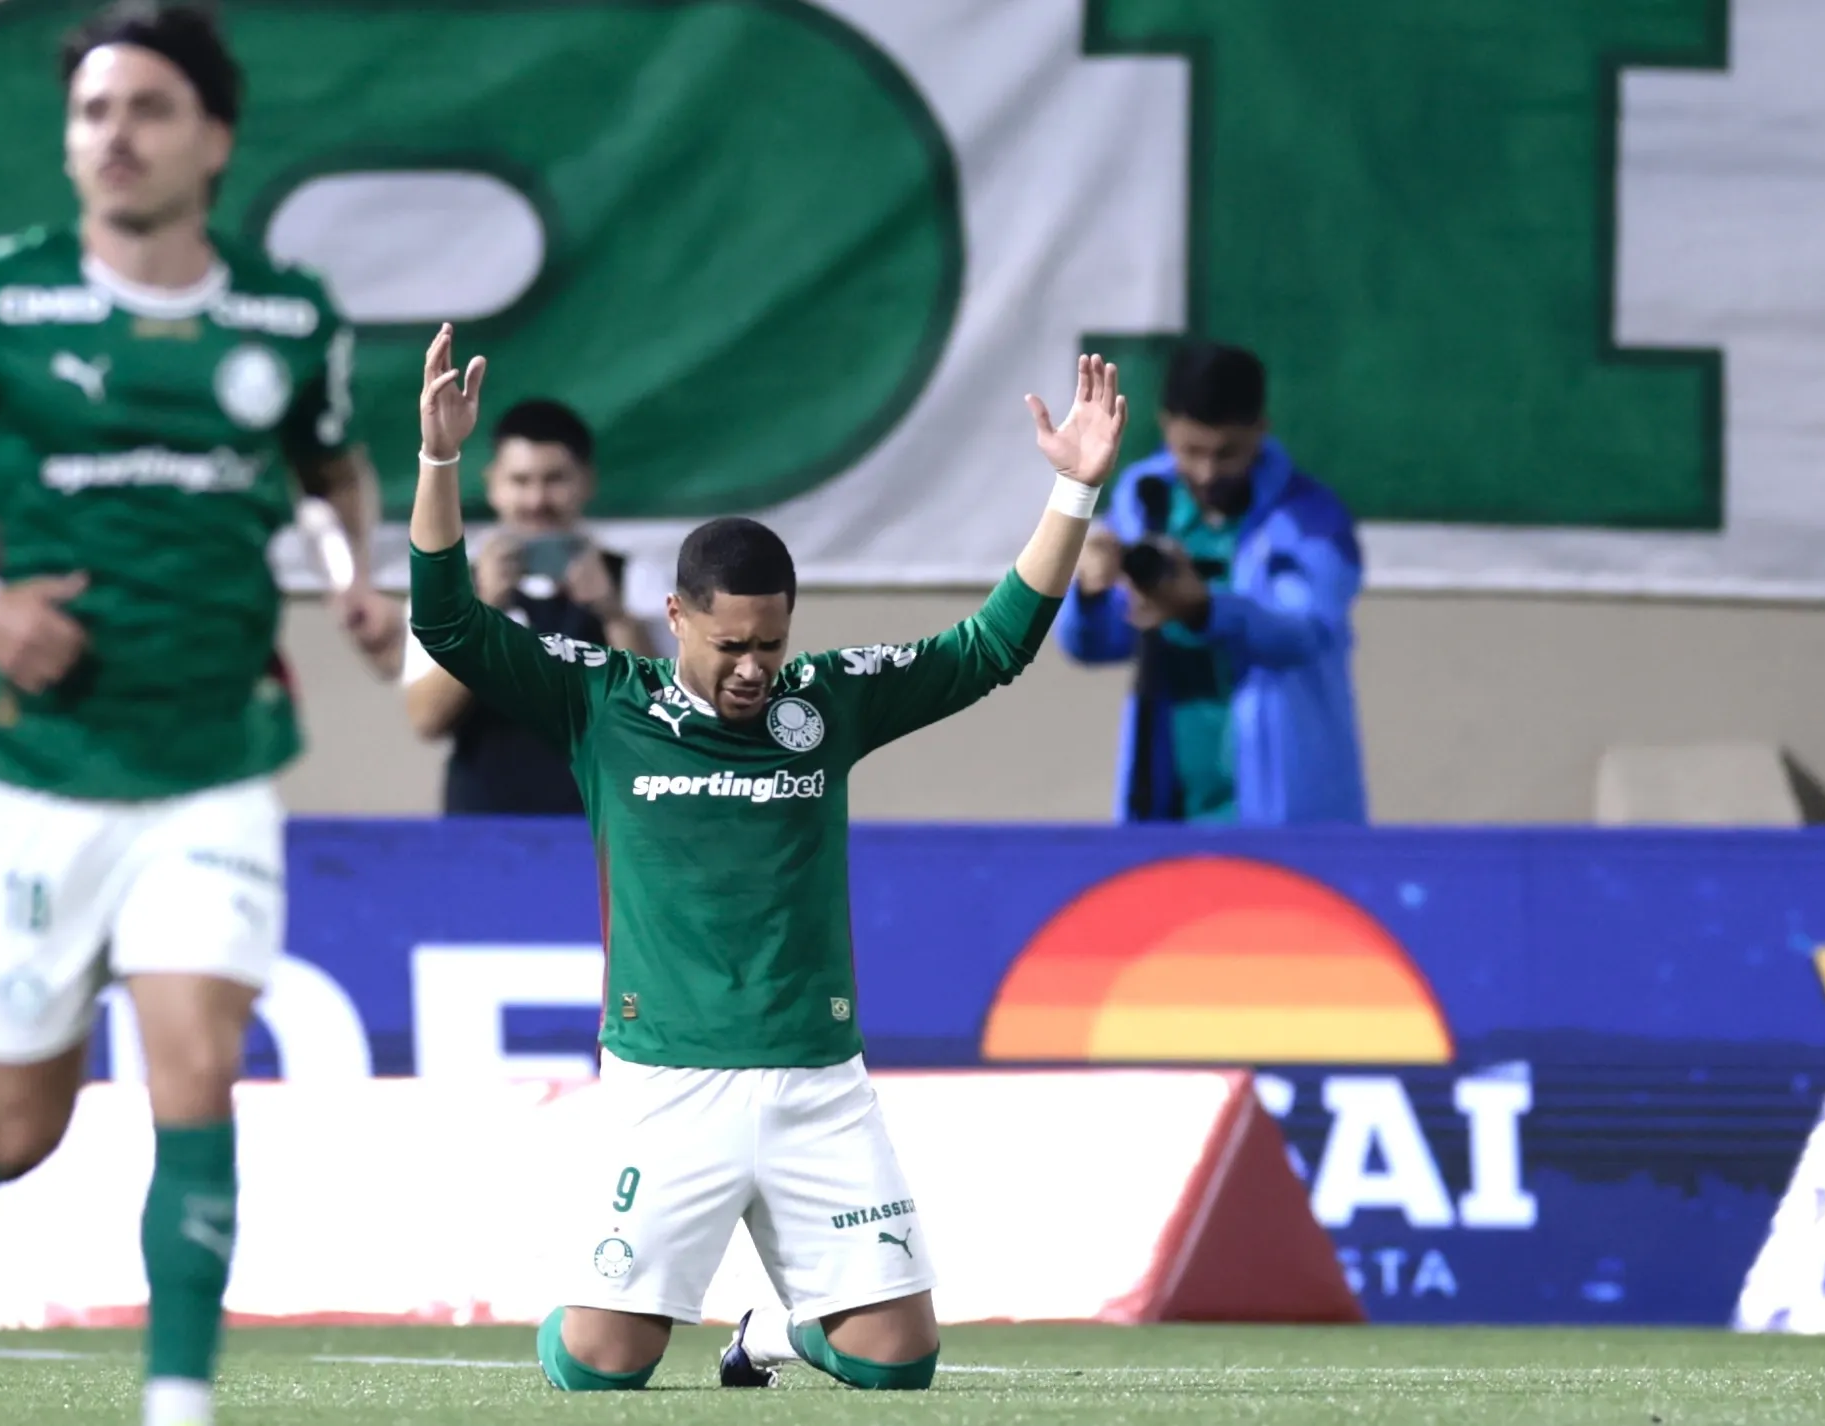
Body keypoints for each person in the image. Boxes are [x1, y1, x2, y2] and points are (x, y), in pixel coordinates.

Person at [0, 7, 401, 1425]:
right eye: (93, 112)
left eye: (149, 108)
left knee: (196, 1067)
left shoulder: (288, 316)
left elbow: (333, 470)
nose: (116, 136)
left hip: (213, 759)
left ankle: (176, 1399)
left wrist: (354, 571)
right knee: (27, 1115)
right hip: (36, 766)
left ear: (214, 139)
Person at [409, 323, 1127, 1392]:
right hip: (666, 1078)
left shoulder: (827, 702)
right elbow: (448, 624)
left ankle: (770, 1334)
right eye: (729, 645)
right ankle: (587, 1299)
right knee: (601, 1369)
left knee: (899, 1363)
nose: (753, 669)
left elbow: (992, 646)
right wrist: (439, 461)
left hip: (815, 1076)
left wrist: (1073, 492)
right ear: (675, 616)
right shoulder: (600, 699)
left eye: (770, 644)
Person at [1056, 341, 1367, 825]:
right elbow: (1096, 646)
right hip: (1165, 808)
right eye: (1191, 451)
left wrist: (1203, 609)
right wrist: (1090, 595)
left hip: (1283, 814)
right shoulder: (1145, 499)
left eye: (1227, 454)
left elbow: (1305, 632)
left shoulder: (1313, 520)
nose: (1206, 472)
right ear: (1165, 426)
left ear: (1261, 430)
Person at [401, 397, 659, 815]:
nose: (537, 500)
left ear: (586, 481)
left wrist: (613, 615)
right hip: (482, 829)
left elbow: (663, 715)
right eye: (520, 481)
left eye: (554, 479)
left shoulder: (635, 581)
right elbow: (427, 718)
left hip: (604, 825)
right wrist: (479, 616)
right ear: (492, 484)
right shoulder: (447, 588)